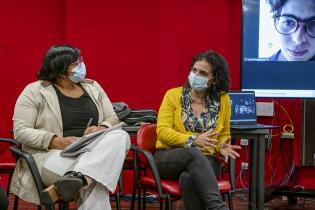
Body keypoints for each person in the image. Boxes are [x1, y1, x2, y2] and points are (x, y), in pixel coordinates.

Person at [11, 45, 130, 209]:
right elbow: (21, 131)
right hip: (51, 154)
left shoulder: (93, 87)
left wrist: (101, 127)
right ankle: (77, 178)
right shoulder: (34, 91)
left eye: (80, 60)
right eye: (76, 62)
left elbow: (112, 118)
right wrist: (56, 141)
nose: (82, 65)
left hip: (92, 152)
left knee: (121, 136)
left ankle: (76, 178)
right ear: (60, 70)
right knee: (96, 182)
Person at [154, 50, 241, 210]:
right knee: (193, 152)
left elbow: (223, 134)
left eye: (203, 73)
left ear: (213, 80)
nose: (196, 75)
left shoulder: (223, 100)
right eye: (194, 70)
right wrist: (192, 140)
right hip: (169, 157)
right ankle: (218, 207)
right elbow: (162, 132)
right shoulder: (172, 95)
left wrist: (221, 146)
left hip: (206, 161)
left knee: (187, 178)